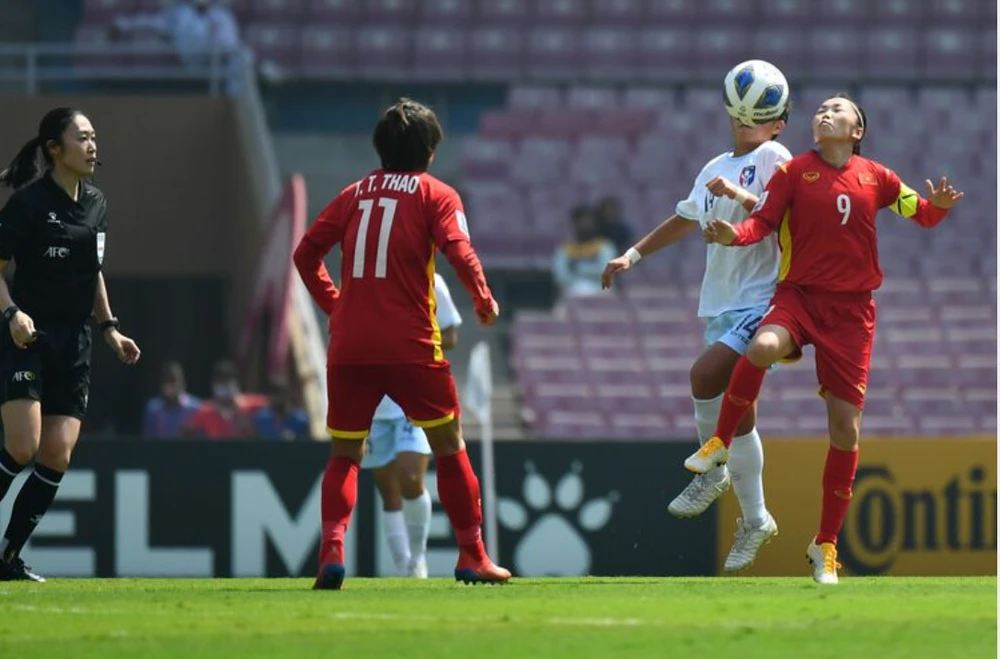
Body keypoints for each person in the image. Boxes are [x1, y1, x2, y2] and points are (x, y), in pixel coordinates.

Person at [686, 93, 964, 584]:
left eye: (838, 109)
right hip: (799, 297)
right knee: (761, 347)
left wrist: (938, 207)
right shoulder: (792, 173)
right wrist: (733, 236)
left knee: (845, 431)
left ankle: (825, 545)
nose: (825, 112)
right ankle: (719, 443)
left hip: (852, 314)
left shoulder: (878, 177)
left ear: (857, 131)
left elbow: (921, 213)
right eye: (821, 109)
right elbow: (761, 223)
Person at [293, 97, 509, 589]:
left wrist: (336, 307)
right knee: (450, 447)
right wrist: (483, 298)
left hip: (350, 347)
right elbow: (459, 250)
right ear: (429, 151)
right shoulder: (437, 194)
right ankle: (472, 556)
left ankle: (331, 553)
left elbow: (306, 254)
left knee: (345, 454)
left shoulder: (353, 194)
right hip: (410, 343)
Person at [602, 98, 791, 572]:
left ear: (778, 125)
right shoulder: (713, 166)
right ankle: (756, 519)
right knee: (740, 416)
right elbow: (685, 217)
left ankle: (714, 470)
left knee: (704, 377)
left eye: (763, 115)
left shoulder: (775, 157)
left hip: (761, 296)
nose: (748, 120)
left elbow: (784, 215)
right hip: (721, 303)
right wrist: (632, 255)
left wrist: (740, 197)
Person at [0, 108, 141, 581]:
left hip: (75, 339)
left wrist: (110, 327)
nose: (93, 145)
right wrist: (11, 313)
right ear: (54, 149)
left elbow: (91, 271)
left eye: (94, 136)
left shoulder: (97, 204)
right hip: (28, 336)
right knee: (22, 445)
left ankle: (7, 558)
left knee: (57, 454)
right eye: (82, 137)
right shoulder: (27, 205)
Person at [365, 272, 462, 578]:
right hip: (374, 401)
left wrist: (414, 341)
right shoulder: (364, 280)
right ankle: (403, 566)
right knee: (388, 490)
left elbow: (451, 335)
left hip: (413, 398)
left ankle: (418, 559)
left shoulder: (432, 280)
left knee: (410, 478)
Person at [553, 205, 617, 299]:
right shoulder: (564, 249)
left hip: (600, 289)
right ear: (574, 224)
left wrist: (578, 267)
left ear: (595, 224)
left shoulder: (605, 246)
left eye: (588, 222)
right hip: (573, 290)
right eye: (581, 222)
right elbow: (561, 277)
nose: (585, 226)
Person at [184, 359, 256, 439]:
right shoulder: (205, 411)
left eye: (227, 381)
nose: (224, 387)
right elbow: (186, 434)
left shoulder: (254, 406)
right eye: (220, 382)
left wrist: (239, 413)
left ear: (236, 384)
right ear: (213, 385)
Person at [142, 360, 200, 438]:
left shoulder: (196, 408)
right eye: (167, 381)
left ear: (183, 383)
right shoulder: (152, 409)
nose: (170, 385)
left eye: (173, 380)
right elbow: (147, 439)